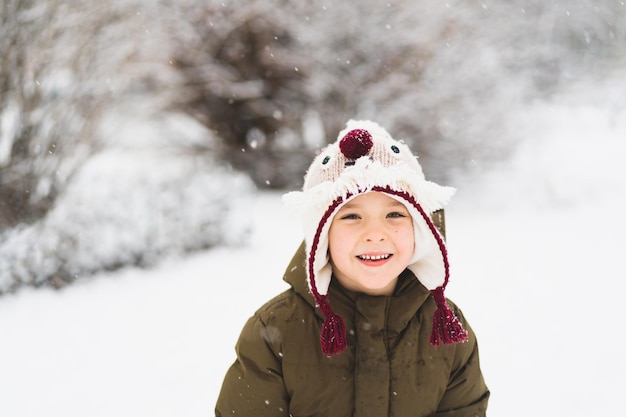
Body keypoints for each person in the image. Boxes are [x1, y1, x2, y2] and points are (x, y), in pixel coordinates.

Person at [215, 120, 489, 416]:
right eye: (352, 217)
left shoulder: (445, 328)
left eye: (395, 214)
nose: (375, 233)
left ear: (420, 228)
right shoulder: (275, 330)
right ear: (321, 235)